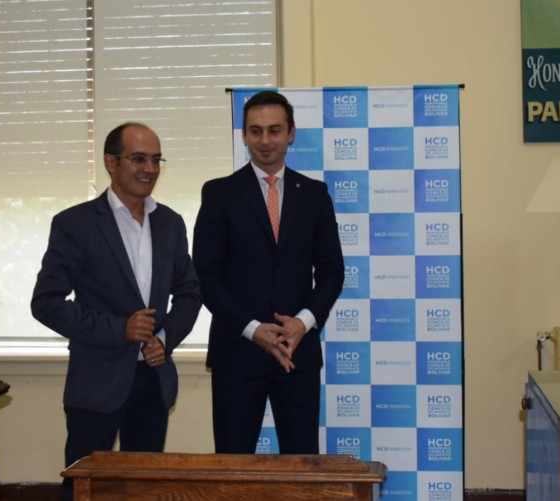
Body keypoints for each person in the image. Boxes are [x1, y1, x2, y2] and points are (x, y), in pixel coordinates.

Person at [31, 122, 201, 500]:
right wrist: (118, 329)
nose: (149, 169)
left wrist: (165, 338)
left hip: (153, 381)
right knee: (83, 489)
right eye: (138, 158)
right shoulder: (75, 224)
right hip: (96, 383)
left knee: (144, 489)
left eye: (156, 159)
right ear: (111, 162)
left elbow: (190, 293)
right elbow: (45, 303)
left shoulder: (170, 224)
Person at [193, 90, 344, 454]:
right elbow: (205, 276)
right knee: (233, 468)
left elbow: (332, 271)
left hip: (297, 352)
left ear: (291, 133)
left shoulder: (315, 194)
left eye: (274, 130)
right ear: (244, 134)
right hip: (237, 352)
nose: (264, 140)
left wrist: (302, 323)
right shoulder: (219, 194)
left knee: (300, 467)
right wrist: (252, 329)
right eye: (255, 131)